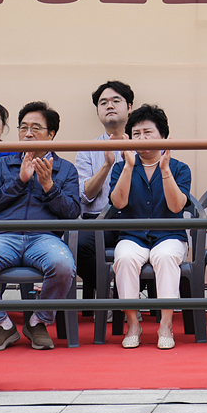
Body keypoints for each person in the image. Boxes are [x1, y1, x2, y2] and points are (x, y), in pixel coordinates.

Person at [0, 101, 80, 351]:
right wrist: (20, 181)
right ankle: (2, 324)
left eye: (36, 127)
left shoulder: (65, 169)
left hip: (44, 237)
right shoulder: (3, 165)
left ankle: (38, 322)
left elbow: (72, 212)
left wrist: (49, 186)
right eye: (23, 127)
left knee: (63, 265)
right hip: (4, 235)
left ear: (51, 134)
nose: (27, 133)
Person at [109, 104, 193, 350]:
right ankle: (133, 323)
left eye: (148, 132)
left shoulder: (179, 168)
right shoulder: (122, 166)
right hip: (132, 236)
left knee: (166, 257)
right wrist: (127, 165)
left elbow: (177, 206)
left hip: (169, 235)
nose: (141, 138)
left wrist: (164, 170)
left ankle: (166, 324)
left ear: (163, 136)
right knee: (124, 258)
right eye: (136, 134)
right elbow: (118, 203)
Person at [74, 81, 134, 303]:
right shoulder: (88, 150)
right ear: (98, 111)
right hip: (99, 221)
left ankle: (129, 299)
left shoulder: (143, 142)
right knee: (76, 244)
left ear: (129, 107)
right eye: (103, 103)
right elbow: (84, 195)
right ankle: (108, 294)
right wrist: (106, 165)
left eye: (116, 101)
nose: (109, 106)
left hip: (134, 219)